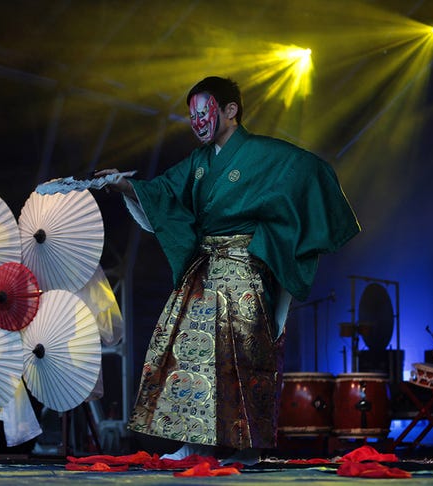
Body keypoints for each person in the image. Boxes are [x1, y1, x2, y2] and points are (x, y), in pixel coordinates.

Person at [96, 76, 359, 465]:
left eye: (205, 112)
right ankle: (195, 443)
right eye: (192, 116)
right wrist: (121, 185)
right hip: (204, 271)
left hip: (245, 271)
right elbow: (163, 194)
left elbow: (310, 172)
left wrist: (296, 229)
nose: (198, 121)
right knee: (189, 353)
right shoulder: (198, 164)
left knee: (245, 359)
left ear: (231, 110)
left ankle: (246, 447)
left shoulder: (264, 153)